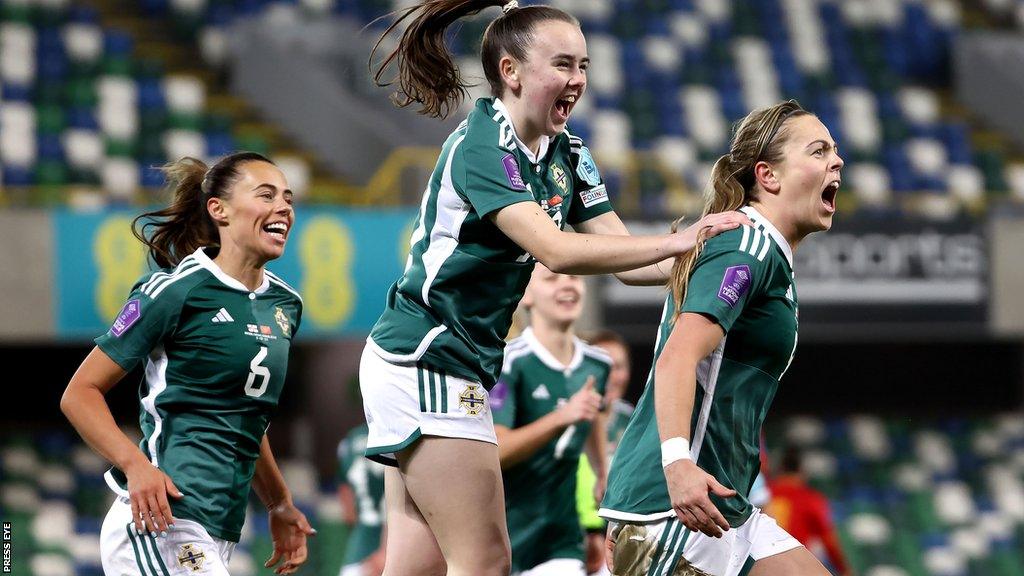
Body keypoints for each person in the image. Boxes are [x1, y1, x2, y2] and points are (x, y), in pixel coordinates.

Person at [362, 2, 752, 575]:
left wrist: (719, 257)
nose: (578, 81)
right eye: (563, 64)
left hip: (437, 363)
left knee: (418, 565)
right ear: (511, 71)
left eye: (585, 65)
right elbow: (557, 250)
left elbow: (628, 264)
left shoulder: (570, 155)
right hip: (428, 360)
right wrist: (677, 241)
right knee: (487, 560)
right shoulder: (483, 146)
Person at [600, 100, 845, 576]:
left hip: (722, 506)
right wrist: (676, 467)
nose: (837, 161)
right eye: (818, 151)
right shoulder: (747, 244)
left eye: (835, 150)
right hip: (678, 505)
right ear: (768, 176)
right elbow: (678, 357)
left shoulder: (763, 252)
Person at [60, 153, 315, 576]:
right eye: (266, 195)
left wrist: (279, 502)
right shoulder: (175, 290)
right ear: (219, 210)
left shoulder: (286, 304)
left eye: (288, 198)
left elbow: (249, 417)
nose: (284, 207)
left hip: (219, 527)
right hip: (162, 519)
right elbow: (80, 394)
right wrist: (135, 466)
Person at [491, 264, 611, 576]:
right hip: (503, 533)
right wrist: (562, 417)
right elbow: (497, 451)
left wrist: (602, 470)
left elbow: (591, 413)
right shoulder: (508, 362)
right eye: (552, 278)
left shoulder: (598, 364)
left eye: (574, 276)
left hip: (562, 537)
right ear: (526, 295)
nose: (567, 285)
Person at [576, 329, 633, 576]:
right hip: (571, 537)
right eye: (603, 365)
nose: (611, 376)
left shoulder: (636, 421)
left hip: (620, 539)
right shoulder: (568, 418)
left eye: (618, 367)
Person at [766, 447, 852, 576]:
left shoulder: (763, 495)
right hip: (794, 567)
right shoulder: (810, 499)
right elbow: (829, 541)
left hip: (761, 565)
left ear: (779, 470)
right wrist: (845, 570)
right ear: (803, 472)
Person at [337, 421, 387, 576]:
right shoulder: (395, 431)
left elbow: (348, 510)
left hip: (358, 552)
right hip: (399, 549)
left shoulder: (350, 439)